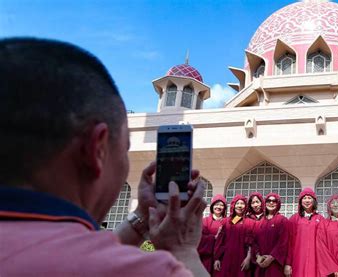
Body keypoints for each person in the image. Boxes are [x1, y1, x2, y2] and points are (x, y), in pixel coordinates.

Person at [0, 38, 208, 276]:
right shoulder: (145, 271)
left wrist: (140, 218)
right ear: (97, 149)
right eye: (125, 147)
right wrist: (183, 250)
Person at [285, 187, 325, 277]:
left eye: (309, 198)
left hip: (315, 261)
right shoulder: (294, 219)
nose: (307, 200)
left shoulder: (320, 219)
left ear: (314, 201)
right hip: (298, 261)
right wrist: (288, 263)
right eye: (304, 198)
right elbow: (289, 243)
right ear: (300, 201)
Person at [214, 194, 254, 277]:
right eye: (237, 203)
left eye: (242, 203)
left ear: (246, 206)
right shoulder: (226, 221)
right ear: (233, 205)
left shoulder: (250, 222)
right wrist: (217, 258)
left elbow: (251, 242)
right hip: (226, 259)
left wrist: (249, 257)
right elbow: (220, 241)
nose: (239, 206)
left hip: (242, 259)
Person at [254, 193, 289, 277]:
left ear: (278, 204)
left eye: (274, 201)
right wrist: (258, 256)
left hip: (275, 264)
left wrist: (272, 257)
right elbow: (254, 241)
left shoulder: (282, 220)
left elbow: (283, 242)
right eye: (269, 201)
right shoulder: (260, 222)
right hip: (261, 264)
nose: (271, 203)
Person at [198, 194, 227, 274]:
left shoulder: (227, 222)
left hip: (221, 259)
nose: (218, 207)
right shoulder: (204, 221)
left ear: (224, 208)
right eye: (216, 204)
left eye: (221, 205)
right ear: (212, 206)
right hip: (206, 259)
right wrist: (214, 237)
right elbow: (199, 239)